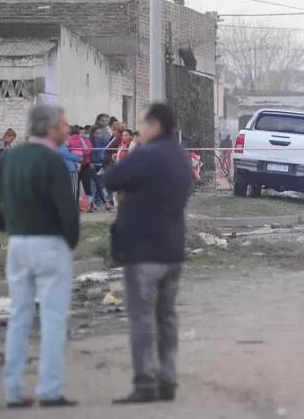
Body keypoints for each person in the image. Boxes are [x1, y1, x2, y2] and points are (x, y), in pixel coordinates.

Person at [0, 104, 80, 409]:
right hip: (50, 244)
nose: (68, 129)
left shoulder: (12, 157)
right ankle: (49, 389)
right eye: (64, 125)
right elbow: (68, 211)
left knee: (19, 317)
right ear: (49, 128)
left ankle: (14, 389)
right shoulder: (53, 161)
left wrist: (3, 222)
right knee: (53, 318)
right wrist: (69, 242)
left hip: (18, 244)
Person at [105, 103, 193, 405]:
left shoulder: (145, 155)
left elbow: (112, 179)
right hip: (172, 249)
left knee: (142, 319)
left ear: (155, 126)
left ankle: (145, 382)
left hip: (143, 251)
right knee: (167, 317)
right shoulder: (180, 159)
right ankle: (167, 379)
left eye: (141, 124)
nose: (138, 130)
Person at [89, 126, 112, 212]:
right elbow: (88, 153)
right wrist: (90, 162)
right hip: (92, 165)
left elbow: (106, 151)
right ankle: (94, 203)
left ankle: (104, 202)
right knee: (93, 185)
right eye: (97, 133)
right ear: (93, 133)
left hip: (101, 165)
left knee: (100, 185)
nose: (99, 134)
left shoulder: (103, 141)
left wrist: (104, 163)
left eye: (100, 133)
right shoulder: (90, 141)